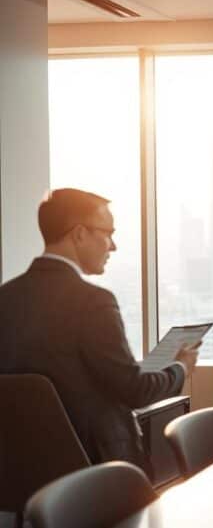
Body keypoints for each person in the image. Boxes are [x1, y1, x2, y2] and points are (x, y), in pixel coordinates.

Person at [0, 189, 198, 470]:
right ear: (79, 234)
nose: (113, 246)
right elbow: (136, 392)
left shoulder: (5, 298)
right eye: (108, 233)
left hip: (21, 470)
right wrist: (180, 367)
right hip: (98, 472)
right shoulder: (93, 302)